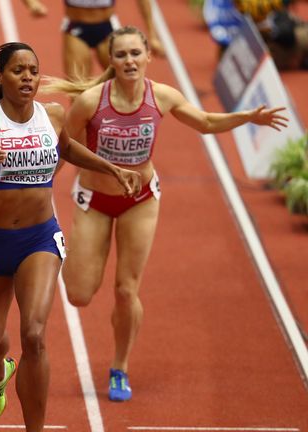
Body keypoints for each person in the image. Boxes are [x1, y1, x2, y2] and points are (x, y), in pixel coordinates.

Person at [40, 25, 288, 402]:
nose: (129, 61)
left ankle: (119, 368)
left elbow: (204, 122)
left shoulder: (162, 97)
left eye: (135, 53)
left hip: (140, 201)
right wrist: (38, 190)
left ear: (147, 56)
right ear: (111, 60)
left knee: (126, 290)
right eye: (121, 55)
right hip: (94, 200)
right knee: (78, 294)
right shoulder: (92, 102)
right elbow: (65, 148)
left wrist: (246, 117)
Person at [0, 42, 141, 431]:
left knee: (34, 334)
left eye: (33, 70)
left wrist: (111, 167)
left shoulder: (52, 115)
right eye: (18, 70)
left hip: (40, 240)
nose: (28, 77)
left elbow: (68, 148)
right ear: (0, 77)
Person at [21, 0, 165, 79]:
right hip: (76, 29)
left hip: (107, 28)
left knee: (125, 84)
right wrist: (32, 3)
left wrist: (152, 35)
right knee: (77, 92)